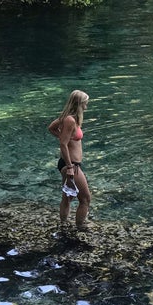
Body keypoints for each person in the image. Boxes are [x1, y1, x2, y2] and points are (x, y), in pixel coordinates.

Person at [48, 90, 91, 229]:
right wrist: (70, 167)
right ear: (79, 104)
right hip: (71, 165)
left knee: (68, 197)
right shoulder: (70, 120)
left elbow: (52, 128)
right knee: (85, 199)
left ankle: (63, 225)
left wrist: (63, 136)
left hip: (71, 164)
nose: (87, 106)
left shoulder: (70, 118)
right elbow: (63, 144)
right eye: (85, 103)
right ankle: (80, 228)